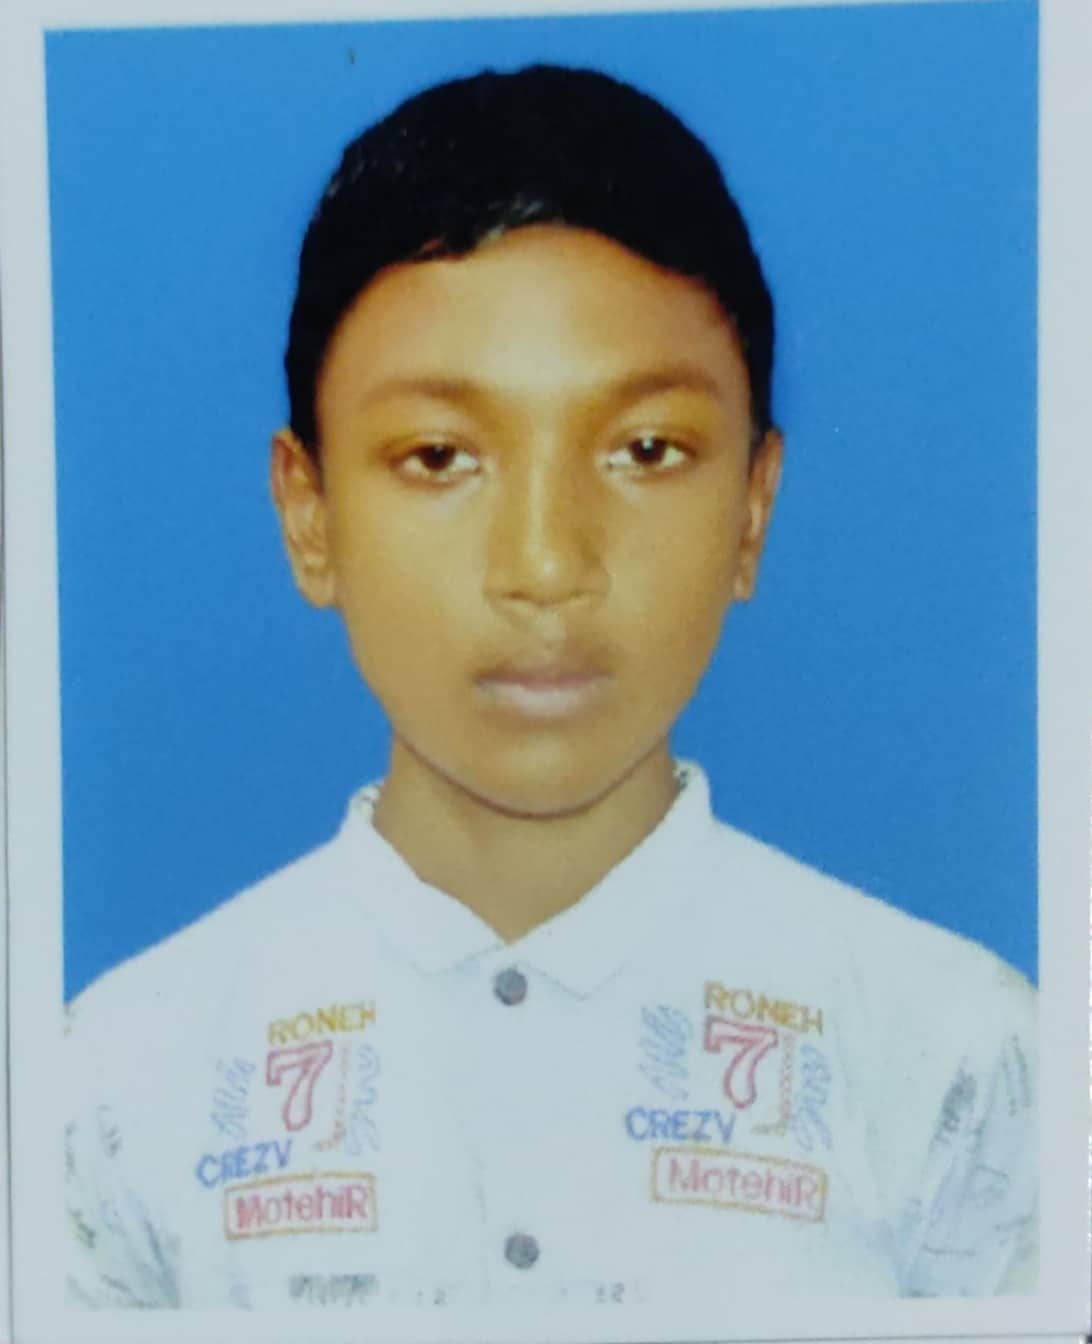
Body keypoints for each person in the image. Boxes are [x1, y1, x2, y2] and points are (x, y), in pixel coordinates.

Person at [65, 64, 1036, 1312]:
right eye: (439, 456)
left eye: (646, 450)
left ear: (752, 510)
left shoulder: (963, 1069)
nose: (545, 566)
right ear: (308, 514)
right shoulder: (113, 1089)